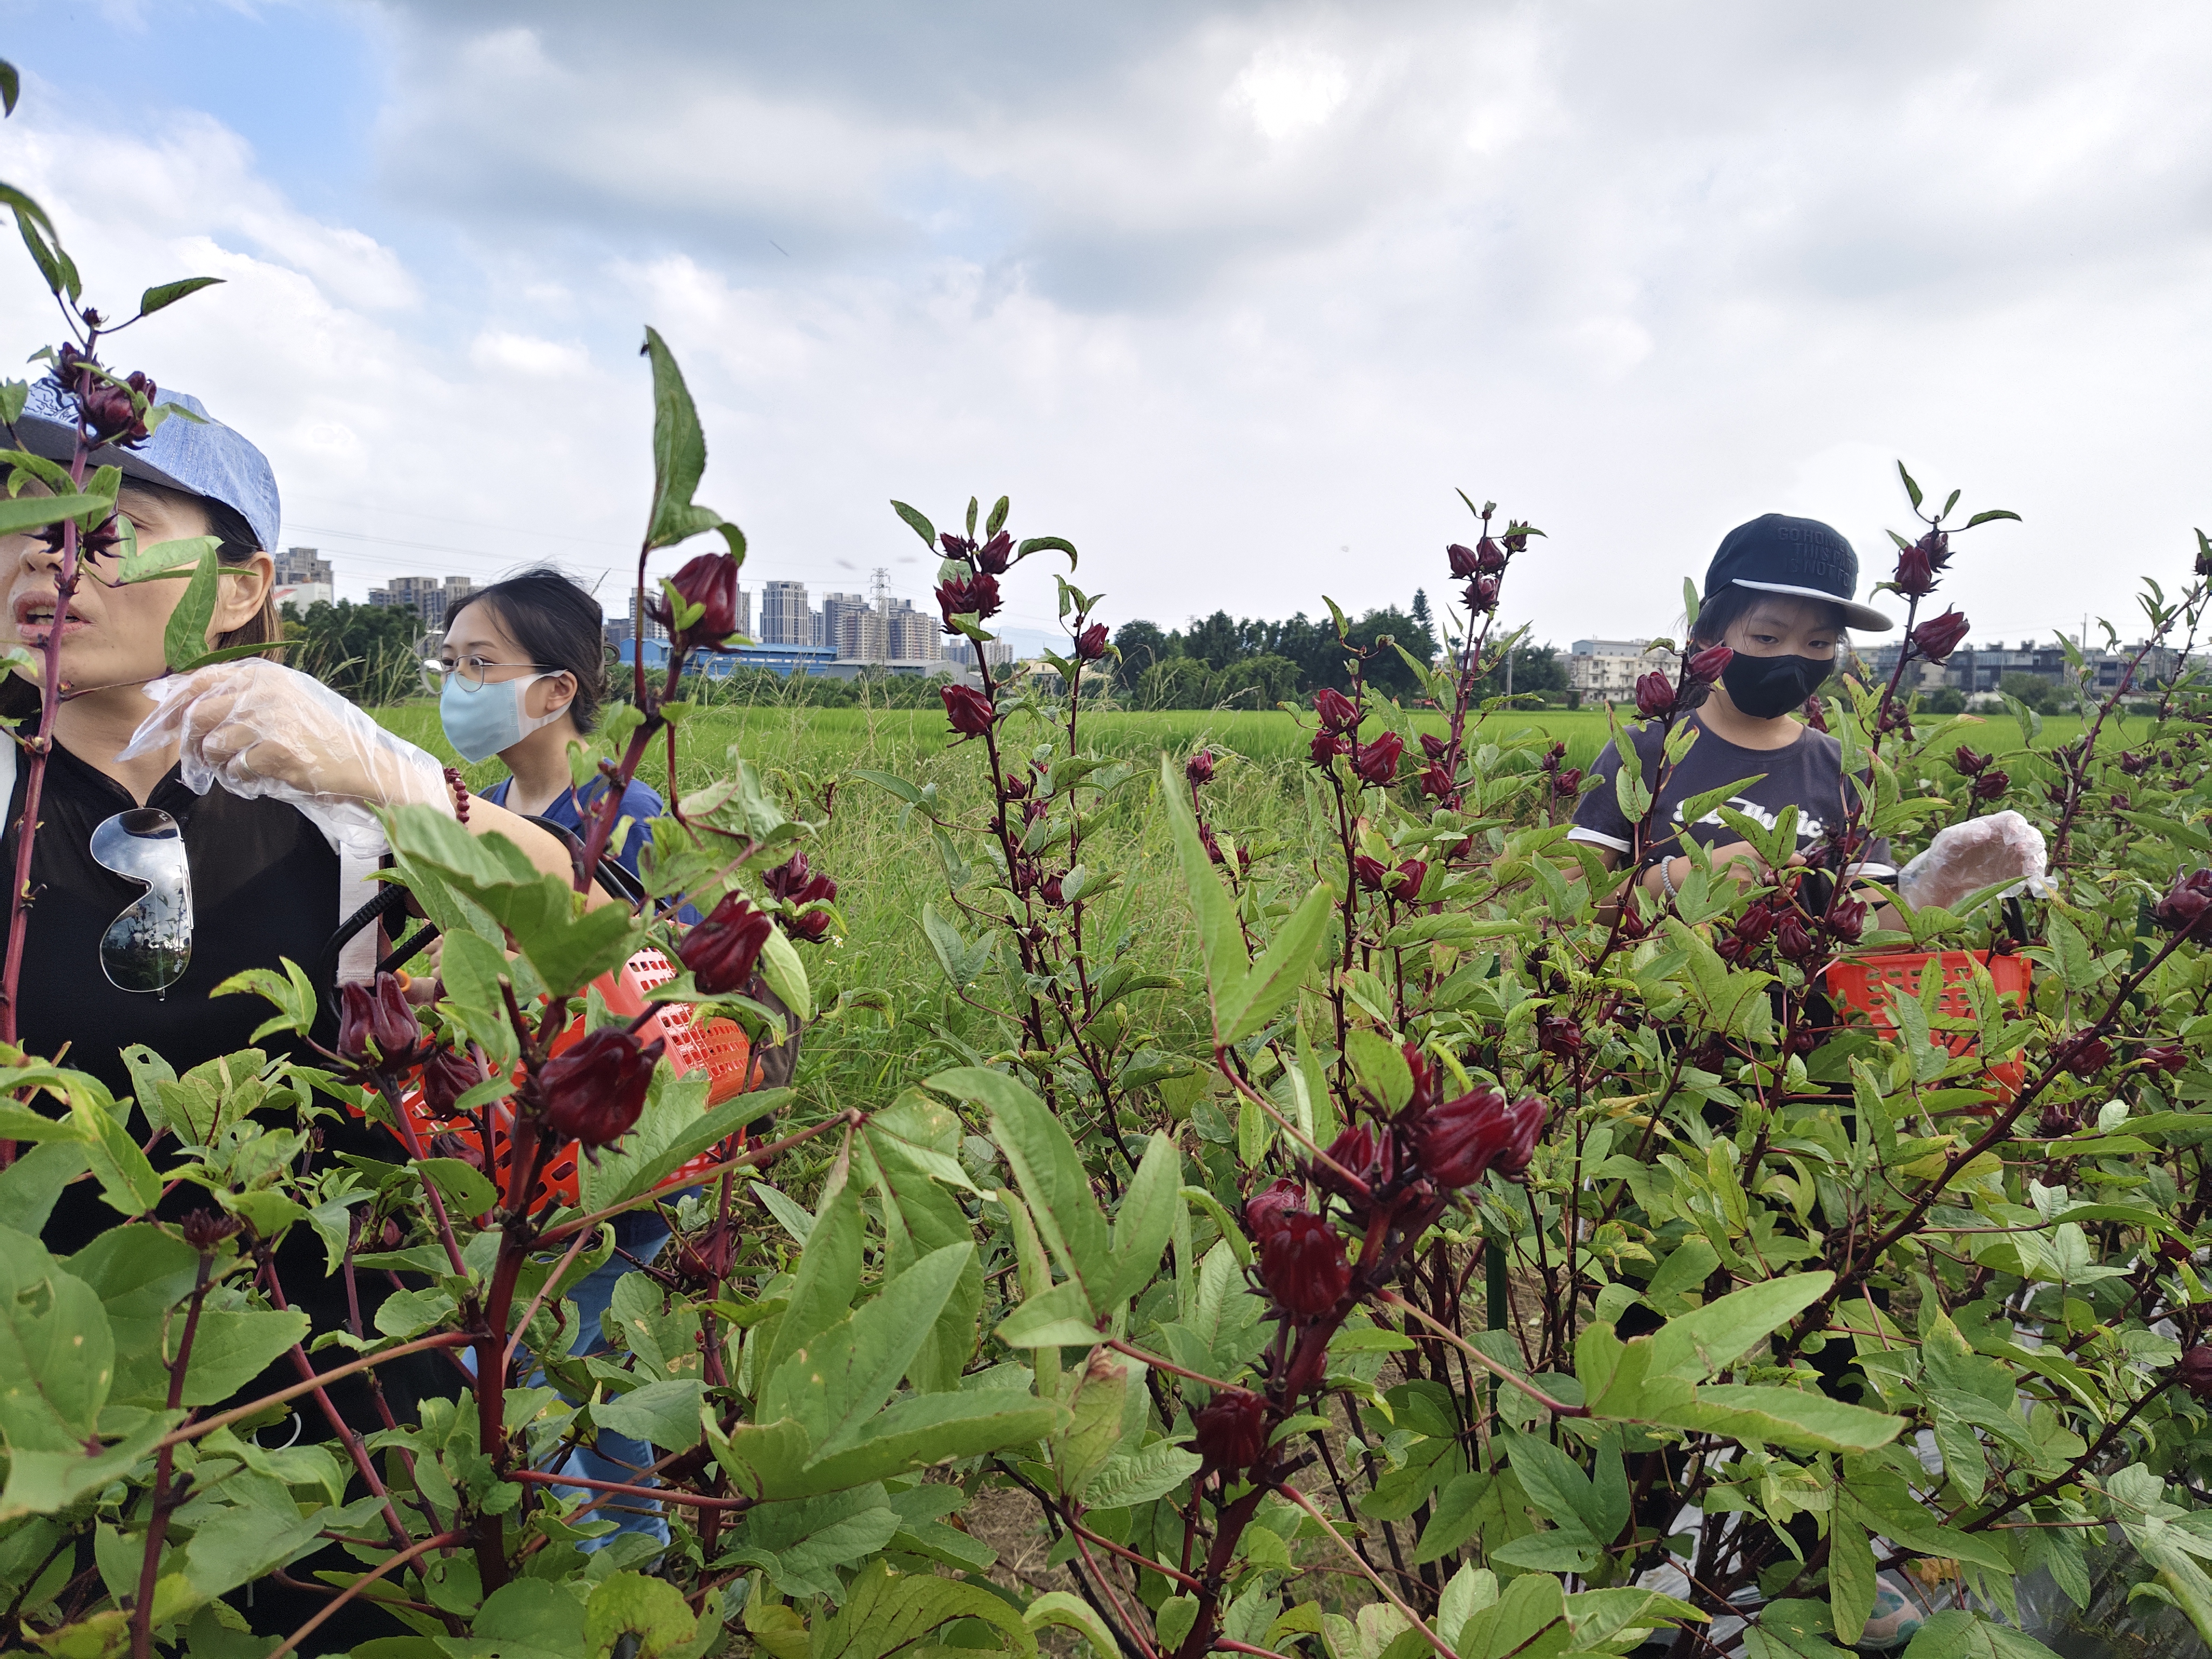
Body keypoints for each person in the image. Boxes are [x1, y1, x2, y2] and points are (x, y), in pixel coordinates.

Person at [1569, 514, 1901, 909]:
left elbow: (1873, 927)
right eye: (1766, 636)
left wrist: (1944, 883)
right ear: (1708, 640)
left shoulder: (1852, 771)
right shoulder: (1643, 751)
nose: (1792, 658)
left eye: (1818, 643)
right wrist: (1686, 878)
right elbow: (1570, 901)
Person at [430, 567, 670, 885]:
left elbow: (672, 933)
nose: (455, 683)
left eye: (479, 663)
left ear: (557, 689)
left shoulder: (626, 815)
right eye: (449, 664)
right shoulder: (482, 807)